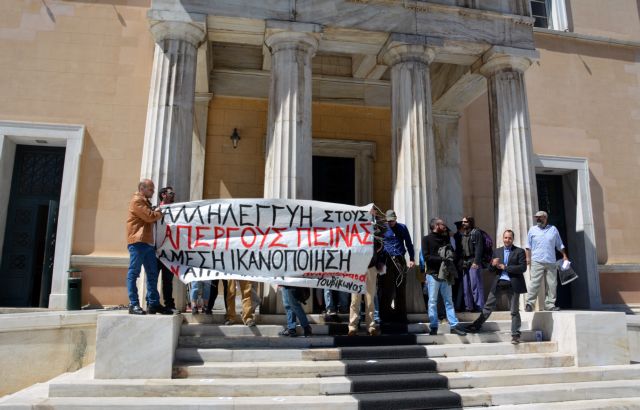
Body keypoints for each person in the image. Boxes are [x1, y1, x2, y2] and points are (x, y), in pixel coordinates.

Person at [465, 230, 527, 344]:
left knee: (514, 311)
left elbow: (523, 268)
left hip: (513, 284)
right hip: (499, 283)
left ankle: (515, 334)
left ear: (513, 239)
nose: (507, 240)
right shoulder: (497, 251)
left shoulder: (519, 251)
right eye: (505, 238)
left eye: (509, 238)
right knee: (488, 307)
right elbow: (490, 270)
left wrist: (506, 267)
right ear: (502, 239)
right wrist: (493, 265)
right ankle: (476, 326)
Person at [125, 179, 170, 315]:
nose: (153, 191)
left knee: (152, 274)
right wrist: (160, 213)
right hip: (138, 242)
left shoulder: (145, 202)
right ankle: (133, 304)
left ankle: (153, 304)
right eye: (150, 189)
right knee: (134, 273)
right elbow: (149, 217)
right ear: (142, 188)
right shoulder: (137, 201)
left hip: (147, 242)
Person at [422, 218, 466, 336]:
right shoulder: (426, 239)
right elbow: (426, 257)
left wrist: (450, 256)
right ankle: (434, 326)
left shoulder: (445, 238)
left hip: (446, 274)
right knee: (432, 301)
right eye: (442, 224)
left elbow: (452, 252)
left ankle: (453, 325)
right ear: (436, 225)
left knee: (449, 301)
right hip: (433, 274)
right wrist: (442, 259)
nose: (445, 226)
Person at [525, 211, 568, 312]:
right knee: (534, 283)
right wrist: (527, 258)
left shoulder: (553, 229)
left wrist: (564, 255)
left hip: (551, 261)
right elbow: (528, 246)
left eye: (540, 217)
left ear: (545, 218)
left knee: (552, 284)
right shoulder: (532, 230)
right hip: (537, 260)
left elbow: (559, 244)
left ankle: (550, 304)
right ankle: (530, 304)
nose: (538, 219)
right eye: (537, 217)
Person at [379, 209, 415, 324]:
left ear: (396, 219)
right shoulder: (382, 228)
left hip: (399, 260)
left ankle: (401, 316)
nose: (390, 223)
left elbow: (409, 243)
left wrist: (412, 258)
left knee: (401, 288)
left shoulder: (402, 227)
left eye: (392, 221)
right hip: (387, 260)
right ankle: (385, 315)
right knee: (387, 288)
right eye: (389, 221)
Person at [156, 186, 177, 314]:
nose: (174, 195)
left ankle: (169, 304)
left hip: (169, 252)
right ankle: (152, 303)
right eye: (171, 193)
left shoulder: (177, 211)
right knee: (153, 279)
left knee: (168, 280)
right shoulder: (154, 210)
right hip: (155, 251)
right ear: (163, 195)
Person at [460, 217, 485, 312]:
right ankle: (469, 306)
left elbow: (479, 248)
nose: (463, 223)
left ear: (470, 222)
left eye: (465, 222)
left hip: (474, 261)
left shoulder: (476, 233)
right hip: (465, 262)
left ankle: (479, 306)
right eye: (463, 222)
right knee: (466, 286)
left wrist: (476, 262)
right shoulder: (464, 234)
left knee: (476, 284)